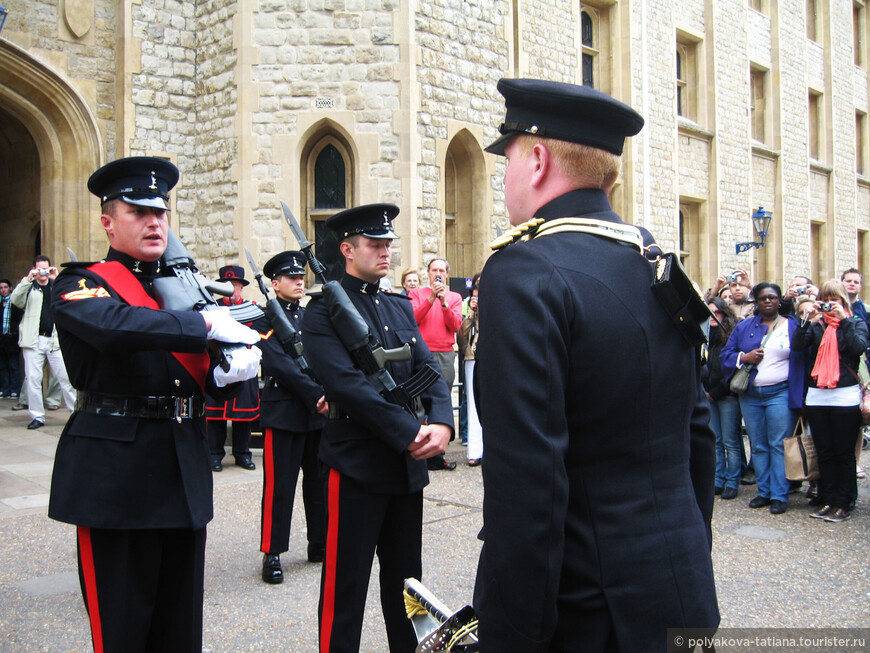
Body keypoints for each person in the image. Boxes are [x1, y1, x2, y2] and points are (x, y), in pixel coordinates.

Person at [472, 78, 718, 651]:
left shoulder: (524, 271)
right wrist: (684, 553)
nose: (503, 178)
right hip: (679, 587)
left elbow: (528, 484)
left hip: (585, 611)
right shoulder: (653, 260)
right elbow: (697, 434)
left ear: (536, 160)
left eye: (505, 158)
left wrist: (511, 637)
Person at [47, 156, 262, 653]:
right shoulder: (81, 282)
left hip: (179, 463)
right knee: (122, 628)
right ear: (108, 222)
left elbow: (186, 375)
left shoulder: (177, 291)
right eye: (139, 212)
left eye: (161, 213)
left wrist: (226, 374)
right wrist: (204, 326)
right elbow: (114, 326)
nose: (154, 222)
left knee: (179, 626)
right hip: (115, 472)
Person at [301, 203, 453, 653]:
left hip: (405, 466)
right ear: (347, 249)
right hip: (356, 463)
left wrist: (441, 421)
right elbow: (346, 386)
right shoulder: (321, 312)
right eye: (374, 244)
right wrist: (409, 431)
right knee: (345, 587)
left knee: (409, 587)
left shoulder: (396, 304)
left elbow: (427, 365)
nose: (385, 251)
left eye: (388, 243)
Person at [253, 251, 328, 584]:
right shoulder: (262, 319)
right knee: (279, 486)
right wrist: (315, 393)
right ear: (274, 283)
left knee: (319, 483)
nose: (300, 282)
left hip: (316, 413)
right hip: (284, 411)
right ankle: (273, 552)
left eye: (302, 277)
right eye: (292, 278)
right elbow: (277, 364)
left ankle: (319, 542)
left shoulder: (312, 316)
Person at [721, 282, 805, 514]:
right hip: (751, 395)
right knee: (757, 445)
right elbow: (725, 355)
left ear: (780, 300)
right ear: (755, 302)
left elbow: (805, 358)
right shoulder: (745, 326)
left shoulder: (793, 326)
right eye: (763, 298)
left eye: (773, 297)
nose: (768, 301)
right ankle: (764, 491)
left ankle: (779, 494)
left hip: (780, 392)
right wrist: (744, 357)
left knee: (778, 444)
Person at [792, 280, 869, 522]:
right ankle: (827, 498)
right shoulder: (816, 327)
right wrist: (808, 319)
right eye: (826, 299)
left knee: (843, 452)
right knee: (824, 451)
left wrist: (843, 321)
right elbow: (797, 345)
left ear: (844, 301)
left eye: (834, 299)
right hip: (817, 395)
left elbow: (858, 348)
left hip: (844, 394)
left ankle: (844, 501)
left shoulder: (855, 323)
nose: (830, 303)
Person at [10, 255, 77, 429]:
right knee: (33, 379)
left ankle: (76, 414)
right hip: (34, 340)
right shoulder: (29, 288)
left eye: (45, 268)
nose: (43, 273)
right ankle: (38, 416)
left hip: (55, 340)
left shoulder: (56, 286)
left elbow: (71, 298)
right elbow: (15, 300)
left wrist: (58, 279)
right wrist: (27, 279)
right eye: (39, 269)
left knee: (66, 378)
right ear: (34, 269)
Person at [408, 257, 462, 471]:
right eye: (434, 270)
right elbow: (412, 319)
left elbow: (455, 324)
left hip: (445, 354)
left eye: (441, 270)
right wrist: (431, 298)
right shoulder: (416, 294)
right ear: (428, 273)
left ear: (446, 274)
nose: (438, 273)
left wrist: (443, 302)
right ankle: (419, 452)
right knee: (418, 403)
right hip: (421, 354)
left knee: (441, 402)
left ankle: (438, 455)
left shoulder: (455, 297)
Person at [206, 265, 259, 471]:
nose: (232, 289)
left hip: (243, 366)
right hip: (219, 365)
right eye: (227, 286)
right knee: (215, 415)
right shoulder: (212, 309)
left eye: (235, 285)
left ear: (241, 288)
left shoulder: (252, 308)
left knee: (243, 416)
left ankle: (242, 454)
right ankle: (215, 454)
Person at [704, 297, 741, 500]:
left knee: (730, 441)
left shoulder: (732, 334)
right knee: (715, 440)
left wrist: (717, 390)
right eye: (708, 313)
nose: (712, 317)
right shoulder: (705, 334)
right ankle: (717, 479)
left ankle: (732, 481)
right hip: (709, 393)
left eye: (715, 313)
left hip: (727, 394)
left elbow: (734, 367)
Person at [459, 274, 482, 466]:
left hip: (494, 355)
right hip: (473, 355)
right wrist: (472, 312)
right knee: (473, 404)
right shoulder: (470, 307)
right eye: (477, 286)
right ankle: (474, 450)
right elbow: (462, 334)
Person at [0, 278, 22, 399]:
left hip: (12, 338)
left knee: (13, 365)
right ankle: (5, 389)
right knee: (2, 366)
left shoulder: (15, 302)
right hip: (1, 340)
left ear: (10, 288)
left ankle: (15, 389)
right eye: (1, 288)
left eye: (5, 287)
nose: (3, 290)